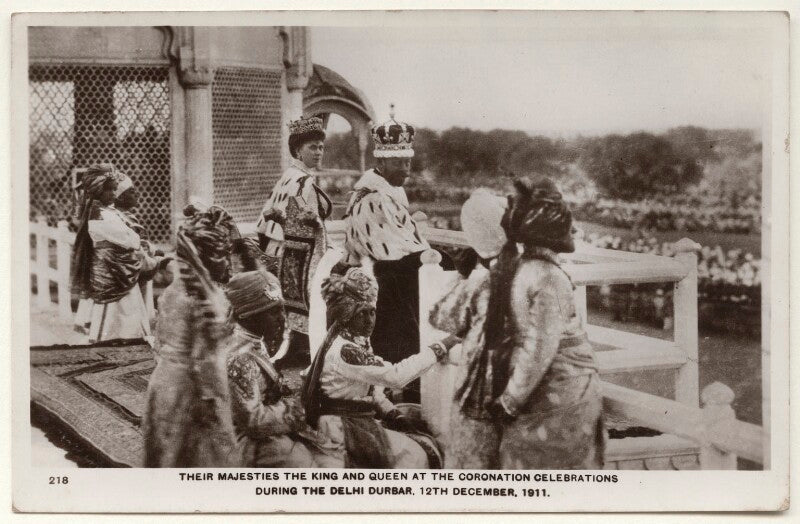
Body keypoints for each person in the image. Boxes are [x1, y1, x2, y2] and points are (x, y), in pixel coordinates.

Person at [487, 176, 605, 470]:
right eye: (568, 223)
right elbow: (541, 347)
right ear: (550, 229)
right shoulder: (548, 277)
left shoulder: (525, 268)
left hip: (547, 393)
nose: (575, 229)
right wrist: (510, 402)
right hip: (563, 395)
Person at [301, 267, 457, 468]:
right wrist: (442, 346)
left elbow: (372, 390)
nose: (369, 320)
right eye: (361, 314)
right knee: (416, 455)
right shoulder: (346, 350)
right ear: (346, 317)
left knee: (420, 439)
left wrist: (393, 414)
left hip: (356, 416)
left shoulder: (356, 341)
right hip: (342, 424)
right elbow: (395, 376)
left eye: (372, 312)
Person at [339, 107, 431, 402]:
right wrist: (434, 257)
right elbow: (396, 254)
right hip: (378, 282)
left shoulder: (388, 192)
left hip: (387, 276)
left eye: (407, 162)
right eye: (399, 163)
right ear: (381, 161)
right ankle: (402, 393)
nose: (406, 169)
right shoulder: (374, 199)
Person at [142, 204, 241, 467]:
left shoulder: (176, 288)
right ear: (206, 258)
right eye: (223, 256)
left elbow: (160, 342)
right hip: (191, 389)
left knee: (168, 457)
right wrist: (213, 402)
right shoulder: (203, 300)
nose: (228, 265)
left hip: (162, 383)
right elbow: (204, 360)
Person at [428, 188, 507, 469]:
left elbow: (439, 315)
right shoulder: (531, 272)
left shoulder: (480, 284)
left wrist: (462, 275)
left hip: (480, 390)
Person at [225, 265, 321, 467]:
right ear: (247, 315)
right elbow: (254, 422)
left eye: (281, 310)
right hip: (245, 441)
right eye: (272, 312)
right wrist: (295, 410)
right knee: (308, 463)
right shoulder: (240, 357)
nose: (281, 319)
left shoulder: (251, 338)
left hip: (262, 422)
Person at [69, 164, 162, 343]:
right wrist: (135, 241)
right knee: (112, 308)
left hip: (121, 269)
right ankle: (107, 341)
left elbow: (129, 236)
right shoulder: (98, 215)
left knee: (128, 306)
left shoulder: (107, 212)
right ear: (97, 191)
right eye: (109, 190)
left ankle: (128, 338)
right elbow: (126, 237)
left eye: (114, 189)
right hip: (111, 271)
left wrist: (135, 240)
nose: (113, 193)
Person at [256, 115, 332, 271]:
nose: (318, 152)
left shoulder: (288, 175)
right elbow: (308, 231)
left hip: (275, 251)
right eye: (312, 147)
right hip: (295, 258)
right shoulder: (303, 181)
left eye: (321, 147)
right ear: (298, 151)